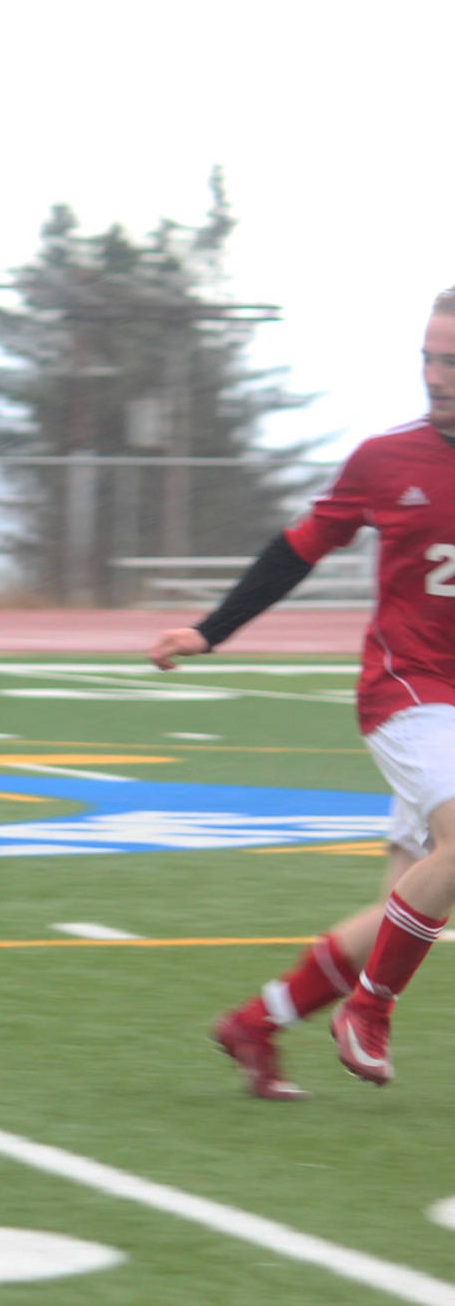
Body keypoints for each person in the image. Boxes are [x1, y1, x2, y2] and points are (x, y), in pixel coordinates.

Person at [152, 283, 455, 1094]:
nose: (435, 375)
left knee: (412, 905)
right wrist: (210, 630)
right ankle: (371, 1010)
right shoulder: (386, 459)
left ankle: (257, 1023)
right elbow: (297, 549)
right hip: (409, 693)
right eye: (428, 357)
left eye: (451, 360)